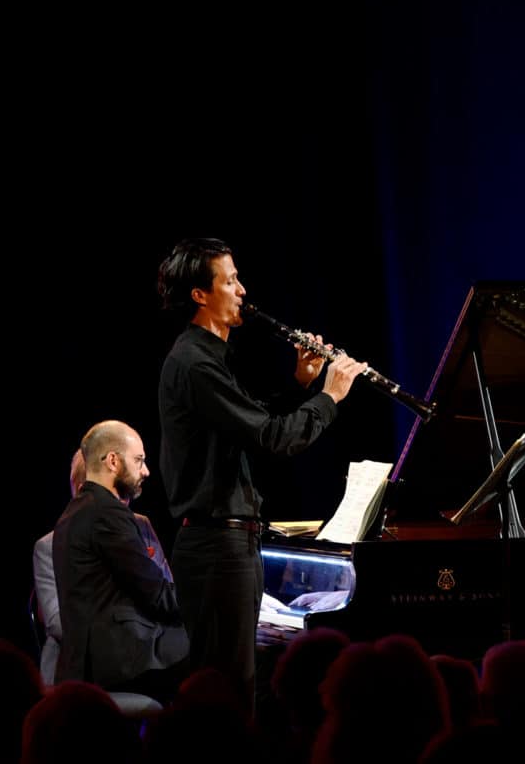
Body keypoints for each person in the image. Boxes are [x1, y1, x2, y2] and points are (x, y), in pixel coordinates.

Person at [155, 237, 363, 710]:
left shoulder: (211, 360)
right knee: (227, 692)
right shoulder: (194, 363)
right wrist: (329, 397)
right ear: (200, 295)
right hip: (215, 547)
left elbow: (256, 426)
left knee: (237, 685)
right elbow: (274, 439)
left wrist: (301, 385)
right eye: (230, 280)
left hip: (229, 544)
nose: (242, 290)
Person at [53, 420, 189, 701]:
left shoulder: (74, 512)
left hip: (85, 663)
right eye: (138, 460)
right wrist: (208, 600)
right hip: (115, 663)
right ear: (113, 461)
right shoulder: (107, 514)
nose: (146, 471)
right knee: (215, 647)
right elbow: (157, 595)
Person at [34, 448, 174, 685]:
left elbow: (166, 591)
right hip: (84, 666)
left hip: (144, 651)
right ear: (83, 492)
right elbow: (61, 623)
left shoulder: (142, 528)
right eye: (114, 493)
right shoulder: (48, 546)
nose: (122, 506)